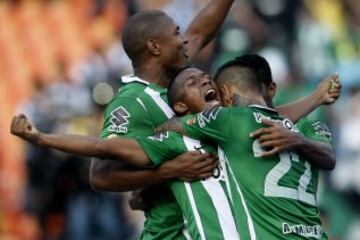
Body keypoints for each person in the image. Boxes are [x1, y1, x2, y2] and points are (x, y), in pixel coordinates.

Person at [11, 55, 341, 239]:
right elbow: (105, 149)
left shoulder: (232, 126)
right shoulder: (177, 142)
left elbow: (260, 116)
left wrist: (311, 106)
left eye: (207, 79)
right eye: (194, 83)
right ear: (181, 105)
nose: (206, 83)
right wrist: (41, 138)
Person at [93, 1, 236, 239]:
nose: (183, 40)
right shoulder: (131, 102)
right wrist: (166, 172)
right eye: (176, 34)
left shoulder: (180, 82)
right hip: (169, 234)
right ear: (154, 47)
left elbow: (201, 31)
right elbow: (100, 175)